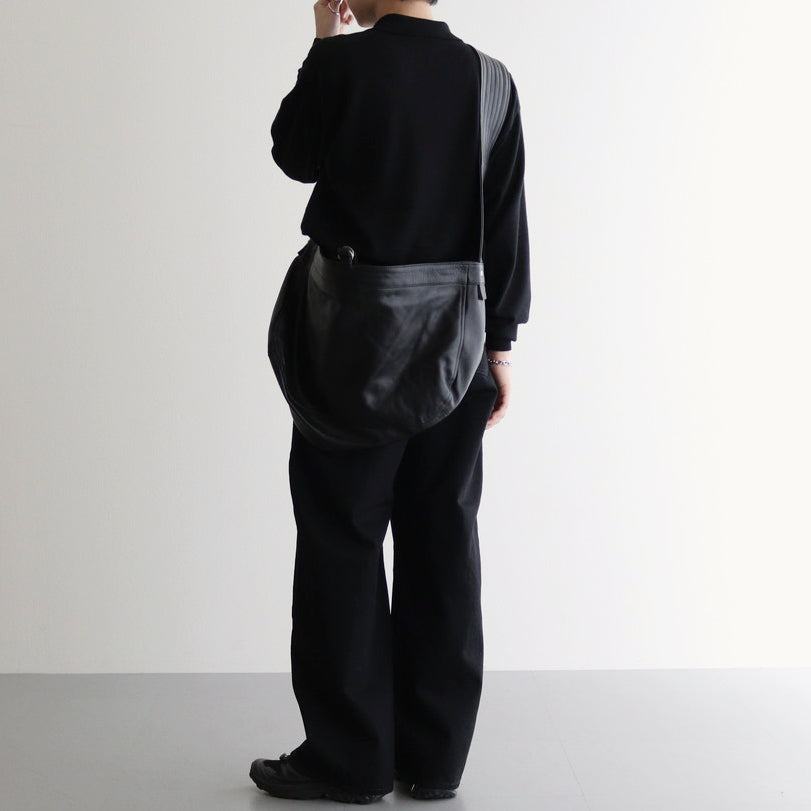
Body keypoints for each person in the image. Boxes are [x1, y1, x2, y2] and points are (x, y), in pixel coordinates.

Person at [250, 0, 530, 803]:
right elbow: (505, 219)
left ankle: (349, 758)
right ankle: (433, 760)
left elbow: (294, 153)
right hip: (459, 350)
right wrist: (500, 346)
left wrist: (323, 41)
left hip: (352, 347)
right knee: (444, 541)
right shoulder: (490, 82)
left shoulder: (345, 65)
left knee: (342, 538)